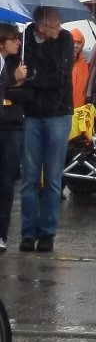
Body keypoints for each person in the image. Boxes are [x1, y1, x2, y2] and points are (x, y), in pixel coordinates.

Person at [20, 6, 73, 253]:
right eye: (55, 25)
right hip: (31, 115)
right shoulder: (25, 39)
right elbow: (22, 71)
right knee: (29, 178)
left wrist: (31, 77)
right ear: (40, 27)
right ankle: (27, 233)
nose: (60, 28)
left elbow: (59, 76)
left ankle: (47, 233)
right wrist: (31, 76)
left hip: (59, 113)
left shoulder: (65, 39)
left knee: (53, 178)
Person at [0, 24, 27, 251]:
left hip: (13, 124)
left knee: (7, 182)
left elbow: (24, 92)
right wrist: (12, 79)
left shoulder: (19, 60)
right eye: (13, 39)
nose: (18, 42)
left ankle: (2, 234)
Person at [70, 28, 88, 109]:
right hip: (64, 109)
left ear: (83, 44)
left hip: (81, 109)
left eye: (79, 42)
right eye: (73, 42)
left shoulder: (87, 62)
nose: (75, 45)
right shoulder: (60, 62)